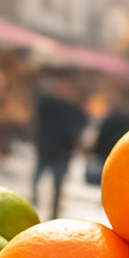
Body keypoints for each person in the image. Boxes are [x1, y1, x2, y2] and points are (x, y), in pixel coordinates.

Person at [32, 77, 89, 219]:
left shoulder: (73, 109)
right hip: (46, 149)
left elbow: (81, 124)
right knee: (37, 178)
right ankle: (34, 204)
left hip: (63, 152)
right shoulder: (47, 104)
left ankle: (54, 213)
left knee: (58, 183)